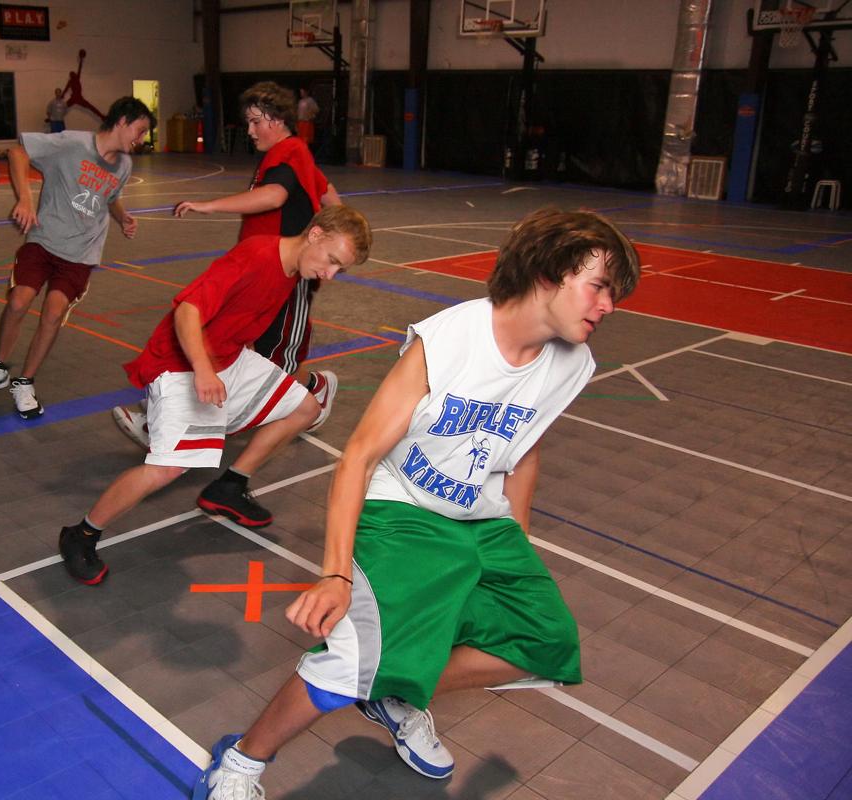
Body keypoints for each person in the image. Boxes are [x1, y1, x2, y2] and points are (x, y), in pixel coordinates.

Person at [193, 208, 642, 800]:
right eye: (599, 286)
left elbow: (525, 452)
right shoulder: (452, 338)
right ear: (548, 275)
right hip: (401, 507)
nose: (609, 304)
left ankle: (394, 687)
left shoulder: (573, 363)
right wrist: (334, 573)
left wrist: (517, 543)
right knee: (356, 655)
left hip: (482, 520)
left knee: (545, 643)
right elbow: (357, 455)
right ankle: (242, 763)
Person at [58, 206, 372, 586]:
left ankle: (230, 485)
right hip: (180, 362)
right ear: (316, 234)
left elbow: (243, 317)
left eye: (341, 269)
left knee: (307, 407)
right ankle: (82, 534)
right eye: (332, 261)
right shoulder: (256, 255)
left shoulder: (293, 271)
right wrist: (204, 371)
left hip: (229, 358)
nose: (331, 274)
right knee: (167, 468)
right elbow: (187, 311)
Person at [114, 81, 340, 448]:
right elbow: (327, 192)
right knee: (227, 343)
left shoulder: (291, 150)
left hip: (288, 276)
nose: (249, 131)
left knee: (273, 359)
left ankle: (309, 394)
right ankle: (170, 413)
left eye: (254, 122)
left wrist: (208, 205)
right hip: (257, 273)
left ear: (277, 119)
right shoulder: (287, 154)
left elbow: (274, 196)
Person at [0, 96, 154, 419]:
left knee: (53, 313)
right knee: (19, 302)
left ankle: (24, 382)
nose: (141, 139)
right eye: (140, 130)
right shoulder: (72, 144)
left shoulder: (124, 165)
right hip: (43, 238)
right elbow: (17, 153)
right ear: (122, 121)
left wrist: (122, 217)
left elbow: (110, 197)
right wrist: (25, 198)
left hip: (81, 253)